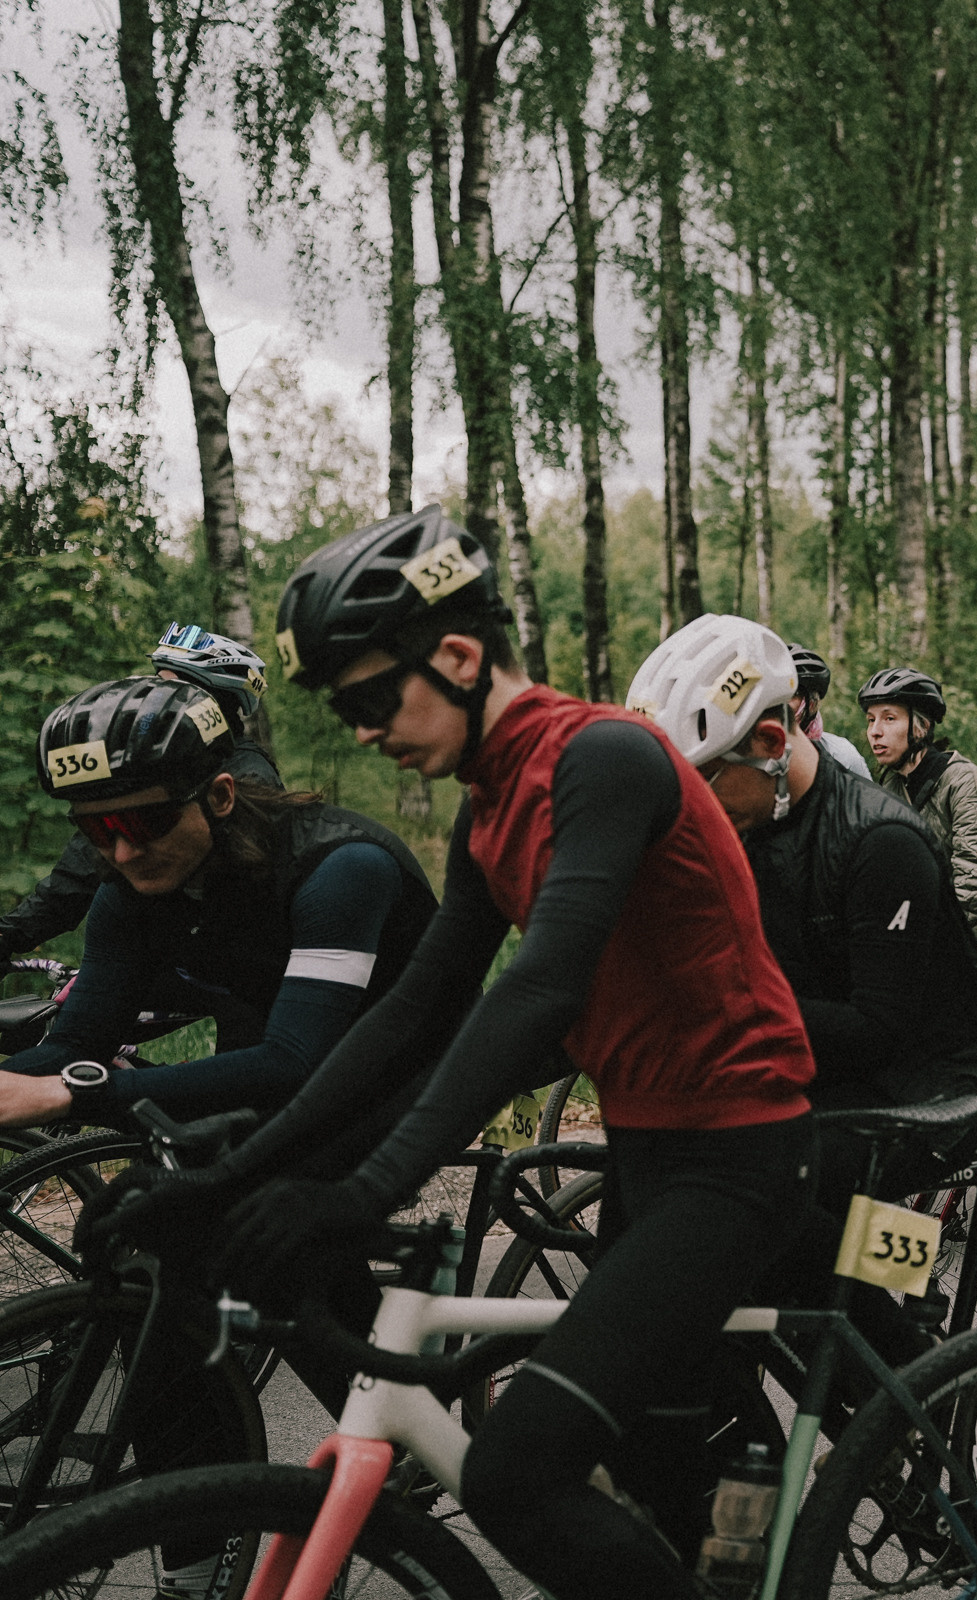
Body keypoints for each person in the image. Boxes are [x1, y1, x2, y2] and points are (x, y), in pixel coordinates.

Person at [141, 507, 819, 1600]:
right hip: (650, 1153)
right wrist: (243, 1167)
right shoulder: (488, 807)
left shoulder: (605, 758)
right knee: (643, 1468)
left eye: (370, 697)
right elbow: (415, 1010)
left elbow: (539, 988)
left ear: (457, 657)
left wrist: (365, 1187)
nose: (362, 730)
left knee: (516, 1469)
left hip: (739, 1155)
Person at [629, 616, 977, 1197]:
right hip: (835, 1069)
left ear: (772, 745)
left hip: (929, 1087)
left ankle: (848, 1289)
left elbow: (879, 1028)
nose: (696, 805)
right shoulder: (751, 816)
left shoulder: (883, 842)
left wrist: (725, 1008)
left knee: (760, 1187)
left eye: (706, 780)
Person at [0, 677, 435, 1130]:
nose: (124, 852)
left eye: (146, 822)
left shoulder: (339, 869)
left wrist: (72, 1092)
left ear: (220, 796)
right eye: (96, 831)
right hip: (285, 1047)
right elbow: (75, 1045)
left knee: (261, 1184)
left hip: (416, 1067)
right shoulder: (129, 891)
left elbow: (291, 1064)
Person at [0, 623, 281, 961]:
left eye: (171, 688)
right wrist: (11, 934)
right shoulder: (150, 768)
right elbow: (79, 870)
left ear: (213, 702)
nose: (155, 697)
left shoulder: (249, 774)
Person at [858, 666, 977, 956]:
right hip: (924, 941)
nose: (875, 731)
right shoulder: (891, 784)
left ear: (921, 726)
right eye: (871, 720)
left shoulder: (964, 783)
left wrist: (911, 926)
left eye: (889, 718)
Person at [787, 643, 870, 777]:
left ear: (812, 704)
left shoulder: (842, 755)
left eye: (792, 694)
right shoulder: (750, 754)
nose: (780, 703)